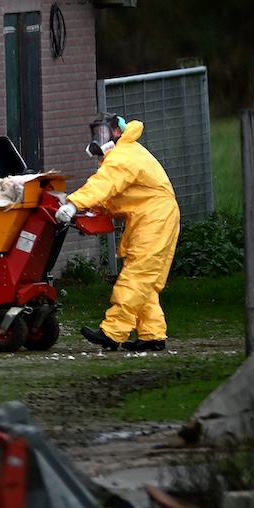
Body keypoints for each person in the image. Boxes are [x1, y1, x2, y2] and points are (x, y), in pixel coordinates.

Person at [54, 113, 181, 351]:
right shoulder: (125, 153)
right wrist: (89, 208)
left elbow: (104, 184)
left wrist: (74, 205)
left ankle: (112, 333)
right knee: (144, 279)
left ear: (117, 133)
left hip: (154, 218)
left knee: (136, 277)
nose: (98, 138)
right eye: (95, 133)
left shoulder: (122, 156)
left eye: (102, 132)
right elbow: (113, 195)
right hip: (152, 217)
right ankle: (152, 335)